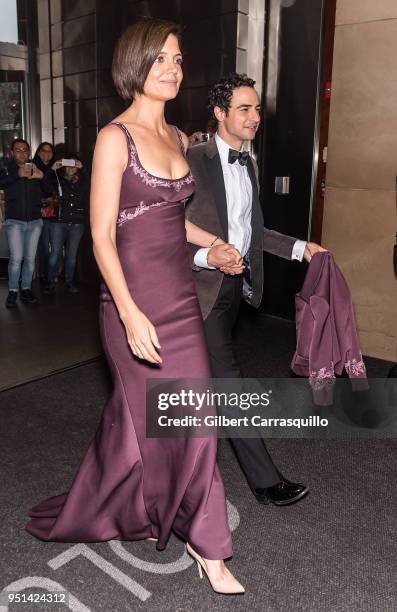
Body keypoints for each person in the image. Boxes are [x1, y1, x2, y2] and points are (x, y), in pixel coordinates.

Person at [25, 20, 244, 595]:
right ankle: (208, 545)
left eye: (177, 59)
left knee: (172, 415)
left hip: (178, 297)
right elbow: (101, 236)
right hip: (132, 301)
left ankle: (152, 507)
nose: (172, 69)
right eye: (160, 60)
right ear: (135, 66)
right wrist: (127, 312)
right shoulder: (112, 138)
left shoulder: (176, 137)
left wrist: (211, 244)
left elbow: (172, 220)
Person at [185, 73, 326, 506]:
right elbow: (164, 230)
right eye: (243, 108)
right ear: (219, 113)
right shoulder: (191, 161)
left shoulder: (248, 163)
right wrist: (207, 256)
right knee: (229, 382)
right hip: (195, 292)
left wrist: (301, 248)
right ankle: (265, 481)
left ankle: (150, 472)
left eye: (257, 108)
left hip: (231, 293)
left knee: (195, 387)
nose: (254, 117)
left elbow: (253, 231)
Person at [0, 139, 44, 308]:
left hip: (34, 222)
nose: (22, 153)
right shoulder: (6, 168)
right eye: (18, 150)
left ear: (29, 152)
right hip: (15, 222)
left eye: (25, 150)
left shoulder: (35, 168)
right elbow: (2, 182)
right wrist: (16, 175)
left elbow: (49, 188)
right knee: (16, 258)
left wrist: (41, 176)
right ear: (12, 152)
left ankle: (26, 288)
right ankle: (12, 291)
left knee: (30, 259)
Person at [43, 156, 88, 293]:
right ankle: (50, 283)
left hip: (77, 223)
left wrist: (84, 168)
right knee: (55, 254)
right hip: (58, 222)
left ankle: (69, 283)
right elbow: (44, 186)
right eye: (68, 165)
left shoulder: (82, 181)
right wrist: (51, 170)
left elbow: (93, 181)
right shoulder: (57, 178)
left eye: (73, 165)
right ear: (63, 166)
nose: (71, 168)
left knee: (71, 256)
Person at [33, 142, 55, 284]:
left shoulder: (55, 168)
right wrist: (49, 172)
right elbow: (45, 188)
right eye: (44, 151)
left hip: (55, 211)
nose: (47, 153)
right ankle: (44, 274)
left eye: (50, 151)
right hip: (40, 212)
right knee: (44, 246)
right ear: (39, 152)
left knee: (54, 245)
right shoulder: (33, 166)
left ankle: (50, 274)